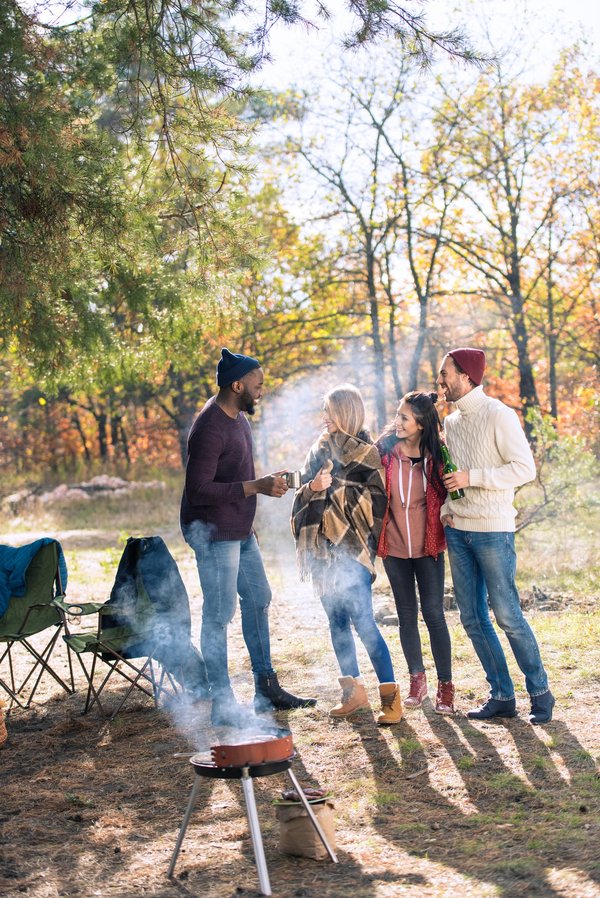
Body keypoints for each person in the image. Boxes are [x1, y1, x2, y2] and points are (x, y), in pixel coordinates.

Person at [181, 348, 316, 728]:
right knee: (219, 614)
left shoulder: (238, 417)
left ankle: (265, 687)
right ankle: (222, 702)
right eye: (257, 385)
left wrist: (253, 498)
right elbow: (198, 491)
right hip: (212, 533)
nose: (262, 391)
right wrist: (256, 487)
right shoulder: (209, 427)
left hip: (239, 530)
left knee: (258, 598)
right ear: (236, 384)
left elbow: (234, 475)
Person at [437, 347, 555, 724]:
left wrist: (476, 478)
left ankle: (540, 694)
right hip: (459, 530)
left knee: (507, 615)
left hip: (493, 531)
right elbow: (452, 480)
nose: (440, 382)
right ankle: (502, 695)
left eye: (445, 375)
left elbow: (524, 468)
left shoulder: (499, 415)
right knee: (471, 618)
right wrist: (447, 511)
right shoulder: (452, 423)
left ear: (467, 376)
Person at [291, 384, 402, 725]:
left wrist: (333, 490)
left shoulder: (368, 453)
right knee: (336, 622)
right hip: (323, 554)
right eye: (323, 412)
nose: (324, 418)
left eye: (329, 411)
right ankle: (352, 693)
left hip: (353, 553)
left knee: (364, 622)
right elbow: (301, 494)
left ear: (345, 413)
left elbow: (377, 503)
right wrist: (312, 488)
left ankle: (391, 699)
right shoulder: (318, 451)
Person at [376, 391, 455, 715]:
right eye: (397, 415)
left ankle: (446, 687)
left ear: (421, 424)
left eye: (404, 417)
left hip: (428, 547)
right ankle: (417, 680)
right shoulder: (384, 453)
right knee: (406, 616)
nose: (398, 421)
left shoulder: (437, 457)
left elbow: (453, 495)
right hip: (394, 548)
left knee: (434, 615)